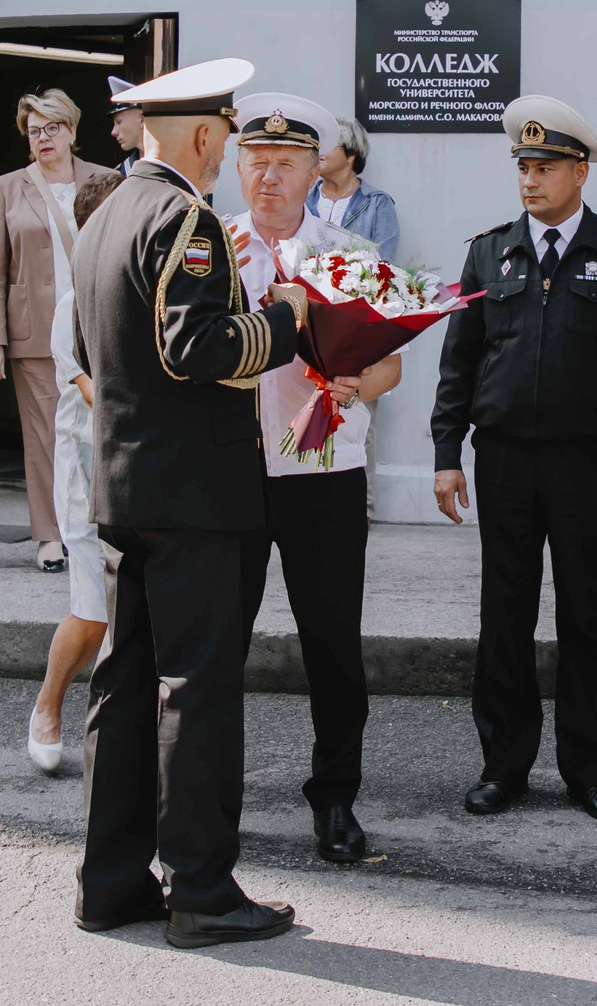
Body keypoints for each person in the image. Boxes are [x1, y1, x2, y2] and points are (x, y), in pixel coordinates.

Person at [71, 57, 310, 950]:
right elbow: (197, 346)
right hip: (196, 495)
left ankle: (111, 880)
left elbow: (88, 352)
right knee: (195, 693)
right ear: (206, 136)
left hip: (128, 486)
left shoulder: (104, 215)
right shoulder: (185, 215)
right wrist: (286, 319)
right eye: (230, 135)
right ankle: (203, 890)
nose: (229, 152)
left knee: (125, 686)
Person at [431, 95, 597, 825]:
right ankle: (503, 764)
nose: (530, 179)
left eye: (546, 166)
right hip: (502, 459)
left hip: (587, 460)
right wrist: (446, 454)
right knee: (505, 611)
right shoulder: (487, 251)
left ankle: (590, 766)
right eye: (523, 166)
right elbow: (458, 365)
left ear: (581, 170)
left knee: (585, 612)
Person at [227, 92, 400, 864]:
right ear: (237, 165)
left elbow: (391, 359)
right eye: (256, 162)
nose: (268, 177)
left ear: (314, 171)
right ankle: (208, 795)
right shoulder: (212, 248)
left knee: (331, 642)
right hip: (227, 469)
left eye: (285, 164)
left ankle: (335, 797)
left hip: (322, 466)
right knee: (214, 642)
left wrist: (360, 384)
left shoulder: (348, 255)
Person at [0, 89, 114, 572]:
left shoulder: (107, 180)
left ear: (73, 130)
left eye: (52, 128)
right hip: (34, 329)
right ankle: (50, 536)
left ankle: (103, 530)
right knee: (44, 438)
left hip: (98, 326)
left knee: (102, 431)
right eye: (34, 131)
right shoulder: (7, 187)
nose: (43, 138)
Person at [29, 168, 127, 775]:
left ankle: (117, 737)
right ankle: (47, 704)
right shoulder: (73, 303)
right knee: (93, 613)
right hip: (91, 470)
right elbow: (97, 393)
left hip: (143, 471)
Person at [306, 115, 399, 261]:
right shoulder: (302, 202)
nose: (319, 151)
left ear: (351, 155)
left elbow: (384, 264)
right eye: (318, 145)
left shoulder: (377, 204)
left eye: (329, 145)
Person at [107, 76, 143, 175]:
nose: (113, 132)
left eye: (119, 122)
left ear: (142, 119)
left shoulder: (176, 166)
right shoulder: (121, 173)